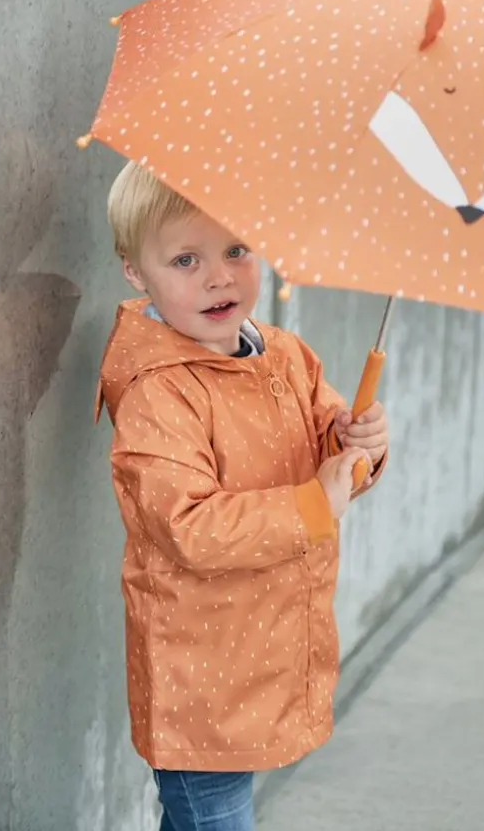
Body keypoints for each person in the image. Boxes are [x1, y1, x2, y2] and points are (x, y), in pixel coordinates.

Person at [94, 160, 391, 830]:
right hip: (200, 679)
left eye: (237, 250)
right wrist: (312, 504)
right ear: (135, 271)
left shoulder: (284, 356)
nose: (219, 276)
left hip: (263, 653)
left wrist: (357, 443)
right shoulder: (160, 392)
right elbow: (188, 525)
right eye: (186, 259)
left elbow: (328, 450)